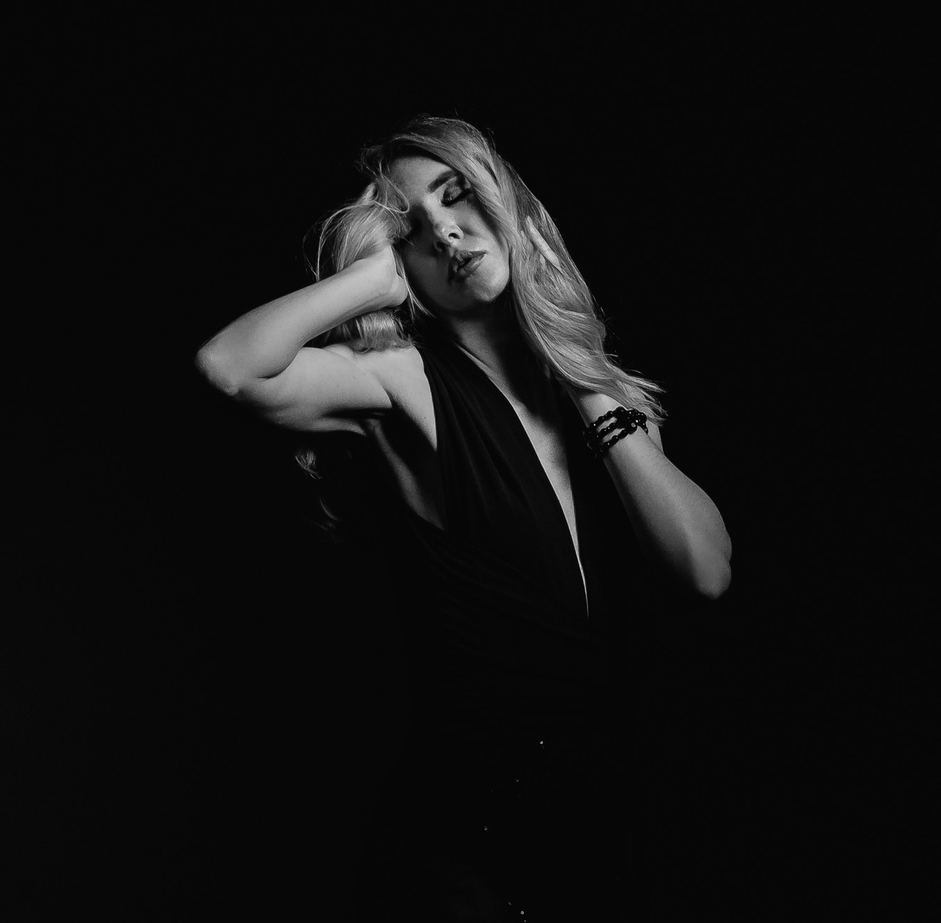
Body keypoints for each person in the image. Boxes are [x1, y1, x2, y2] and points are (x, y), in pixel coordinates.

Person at [195, 113, 732, 922]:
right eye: (412, 231)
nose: (445, 232)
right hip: (462, 844)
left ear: (507, 204)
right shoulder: (403, 377)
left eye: (458, 197)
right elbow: (230, 367)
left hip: (598, 833)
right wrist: (373, 282)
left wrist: (582, 374)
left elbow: (705, 571)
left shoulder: (611, 409)